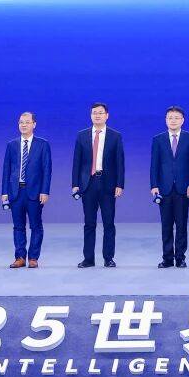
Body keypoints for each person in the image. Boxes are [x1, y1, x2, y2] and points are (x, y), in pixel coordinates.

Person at [71, 102, 124, 268]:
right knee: (89, 223)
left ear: (107, 115)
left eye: (100, 113)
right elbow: (77, 162)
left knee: (109, 223)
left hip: (108, 184)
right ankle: (88, 259)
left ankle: (108, 258)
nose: (97, 115)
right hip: (88, 184)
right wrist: (75, 184)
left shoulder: (115, 136)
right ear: (90, 115)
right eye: (94, 112)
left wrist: (119, 184)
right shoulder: (82, 135)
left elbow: (120, 162)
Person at [150, 106, 189, 269]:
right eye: (170, 117)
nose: (173, 120)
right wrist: (154, 185)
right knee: (166, 225)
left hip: (183, 188)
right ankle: (167, 258)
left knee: (181, 224)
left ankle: (180, 258)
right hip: (164, 189)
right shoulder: (158, 139)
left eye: (176, 118)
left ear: (182, 120)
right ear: (165, 120)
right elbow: (154, 165)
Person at [1, 111, 51, 268]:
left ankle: (33, 258)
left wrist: (45, 191)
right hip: (15, 192)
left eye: (27, 122)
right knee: (18, 226)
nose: (24, 125)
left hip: (35, 192)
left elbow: (47, 169)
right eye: (21, 122)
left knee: (36, 226)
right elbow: (6, 170)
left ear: (34, 124)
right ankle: (20, 257)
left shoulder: (42, 144)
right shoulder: (11, 145)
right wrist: (4, 192)